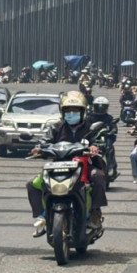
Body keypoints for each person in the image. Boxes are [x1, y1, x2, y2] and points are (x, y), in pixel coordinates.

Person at [26, 91, 108, 236]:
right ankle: (42, 216)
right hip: (57, 165)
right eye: (68, 111)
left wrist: (95, 146)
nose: (71, 114)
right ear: (62, 112)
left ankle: (95, 214)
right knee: (32, 185)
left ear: (82, 112)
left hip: (84, 165)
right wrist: (38, 148)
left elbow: (99, 141)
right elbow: (45, 141)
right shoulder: (56, 127)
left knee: (98, 177)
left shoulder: (89, 128)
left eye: (75, 111)